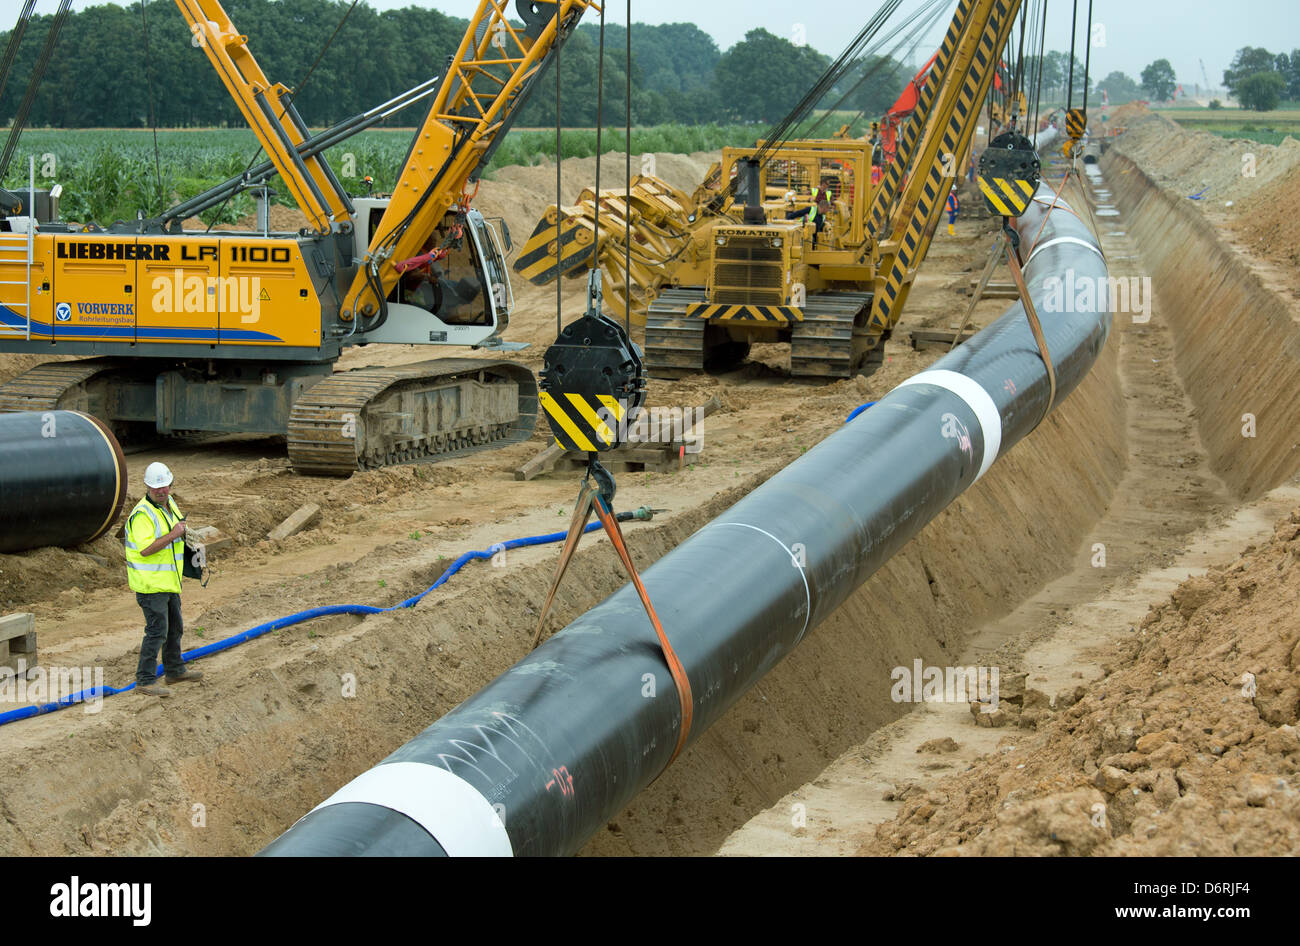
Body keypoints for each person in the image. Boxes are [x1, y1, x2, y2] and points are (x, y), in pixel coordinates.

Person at [125, 462, 203, 697]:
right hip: (150, 585)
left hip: (168, 582)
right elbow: (146, 549)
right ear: (147, 487)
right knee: (157, 631)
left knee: (174, 628)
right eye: (156, 488)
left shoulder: (169, 505)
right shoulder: (141, 515)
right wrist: (174, 534)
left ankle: (174, 670)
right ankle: (145, 680)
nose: (161, 491)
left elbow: (178, 531)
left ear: (170, 485)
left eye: (165, 487)